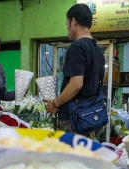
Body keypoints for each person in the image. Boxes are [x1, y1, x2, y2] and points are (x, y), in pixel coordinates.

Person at [44, 3, 106, 137]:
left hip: (74, 119)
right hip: (87, 119)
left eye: (67, 24)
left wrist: (55, 103)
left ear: (74, 22)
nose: (67, 29)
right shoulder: (98, 51)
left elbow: (76, 84)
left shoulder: (77, 47)